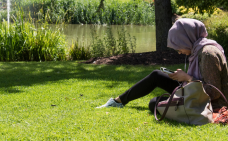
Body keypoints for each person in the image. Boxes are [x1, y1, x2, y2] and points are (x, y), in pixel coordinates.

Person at [96, 18, 228, 113]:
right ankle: (117, 101)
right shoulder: (198, 50)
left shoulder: (208, 53)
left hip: (211, 103)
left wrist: (187, 78)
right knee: (157, 75)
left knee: (155, 103)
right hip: (195, 92)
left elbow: (214, 92)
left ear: (187, 38)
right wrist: (185, 78)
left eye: (178, 46)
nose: (179, 52)